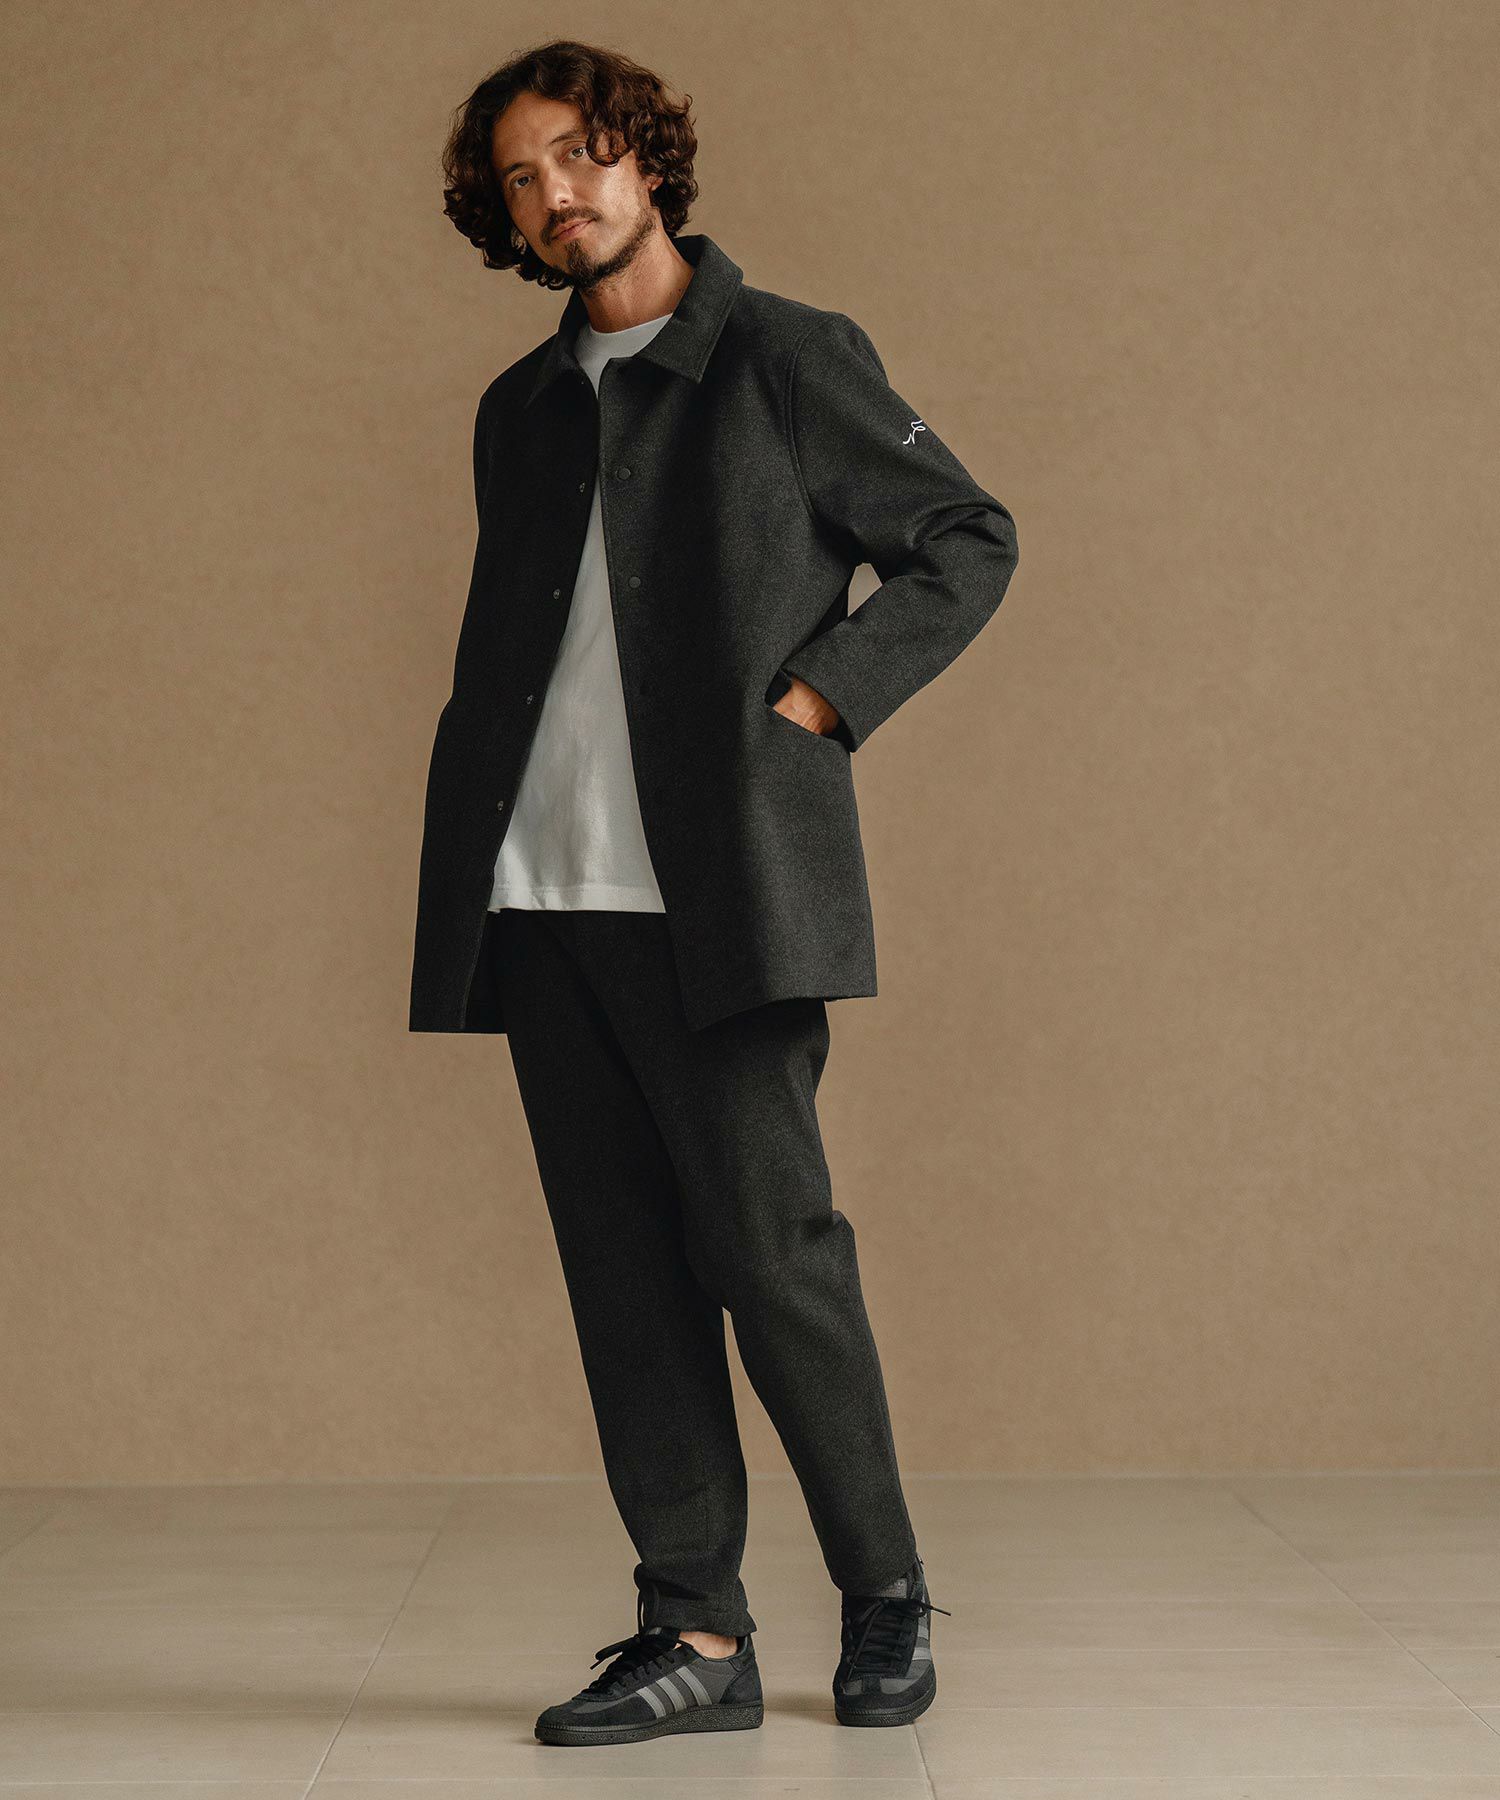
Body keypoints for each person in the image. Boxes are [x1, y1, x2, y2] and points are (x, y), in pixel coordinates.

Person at [412, 38, 1018, 1748]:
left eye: (580, 153)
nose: (557, 195)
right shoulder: (521, 409)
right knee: (624, 1274)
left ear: (647, 158)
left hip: (720, 897)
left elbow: (965, 536)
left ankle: (884, 1593)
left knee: (772, 1251)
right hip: (542, 899)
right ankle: (694, 1630)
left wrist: (821, 699)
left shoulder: (785, 357)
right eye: (521, 178)